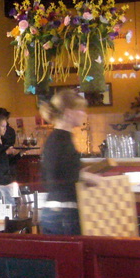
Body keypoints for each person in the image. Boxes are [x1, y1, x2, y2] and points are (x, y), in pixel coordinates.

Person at [39, 89, 102, 235]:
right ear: (68, 112)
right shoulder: (61, 139)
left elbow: (55, 173)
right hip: (64, 213)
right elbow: (60, 177)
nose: (84, 114)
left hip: (53, 211)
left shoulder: (56, 138)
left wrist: (81, 174)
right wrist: (89, 178)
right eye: (80, 110)